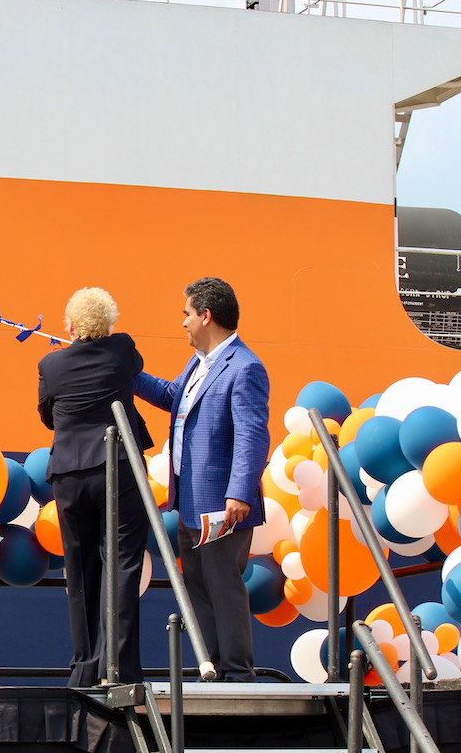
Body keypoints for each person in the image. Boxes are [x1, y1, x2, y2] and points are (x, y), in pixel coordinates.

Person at [133, 277, 270, 682]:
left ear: (205, 316)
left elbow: (252, 433)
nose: (184, 324)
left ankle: (238, 674)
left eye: (187, 315)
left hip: (222, 503)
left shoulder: (245, 367)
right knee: (198, 586)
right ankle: (211, 667)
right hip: (190, 500)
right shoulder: (200, 363)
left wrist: (240, 493)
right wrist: (128, 370)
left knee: (223, 586)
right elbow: (171, 395)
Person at [38, 287, 153, 687]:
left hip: (69, 474)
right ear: (108, 324)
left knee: (80, 570)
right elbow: (136, 367)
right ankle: (118, 667)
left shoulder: (50, 364)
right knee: (122, 566)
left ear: (69, 325)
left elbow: (48, 417)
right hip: (117, 468)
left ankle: (85, 667)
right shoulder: (122, 349)